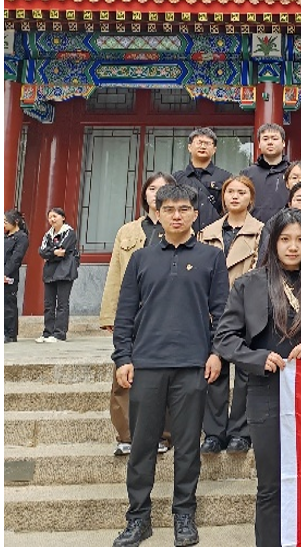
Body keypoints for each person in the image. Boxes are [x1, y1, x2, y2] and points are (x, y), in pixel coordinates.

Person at [214, 208, 301, 547]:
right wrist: (258, 358)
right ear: (273, 242)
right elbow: (225, 338)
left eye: (300, 240)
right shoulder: (248, 284)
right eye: (285, 239)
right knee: (271, 483)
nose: (292, 247)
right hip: (266, 392)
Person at [111, 184, 229, 547]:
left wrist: (217, 352)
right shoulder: (141, 259)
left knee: (188, 446)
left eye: (183, 209)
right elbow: (125, 313)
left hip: (193, 364)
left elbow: (223, 313)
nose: (176, 216)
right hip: (147, 363)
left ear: (195, 214)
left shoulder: (212, 258)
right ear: (157, 213)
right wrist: (123, 357)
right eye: (169, 209)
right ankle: (138, 518)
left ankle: (184, 515)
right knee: (142, 445)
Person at [99, 171, 175, 456]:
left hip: (168, 312)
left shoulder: (182, 229)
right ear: (144, 194)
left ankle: (162, 435)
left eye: (164, 188)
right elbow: (115, 273)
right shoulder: (128, 231)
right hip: (132, 312)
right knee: (124, 372)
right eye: (152, 188)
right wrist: (110, 315)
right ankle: (127, 435)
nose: (157, 193)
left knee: (167, 374)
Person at [197, 175, 265, 455]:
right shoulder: (207, 232)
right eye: (230, 192)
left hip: (247, 307)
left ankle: (240, 432)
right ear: (223, 197)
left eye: (242, 192)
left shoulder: (261, 231)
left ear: (251, 198)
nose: (235, 196)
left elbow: (260, 270)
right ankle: (214, 432)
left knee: (246, 372)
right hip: (213, 308)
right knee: (214, 369)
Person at [173, 127, 232, 233]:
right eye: (199, 142)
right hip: (182, 234)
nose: (203, 146)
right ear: (189, 147)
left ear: (214, 150)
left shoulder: (225, 177)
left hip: (215, 235)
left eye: (207, 143)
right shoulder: (177, 177)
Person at [36, 207, 79, 343]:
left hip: (65, 271)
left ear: (63, 218)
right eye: (50, 217)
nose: (52, 219)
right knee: (48, 304)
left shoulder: (69, 233)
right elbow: (41, 251)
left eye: (55, 216)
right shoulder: (47, 235)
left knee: (62, 303)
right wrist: (53, 252)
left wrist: (51, 253)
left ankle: (59, 333)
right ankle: (47, 332)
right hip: (50, 271)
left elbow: (62, 250)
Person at [240, 123, 291, 223]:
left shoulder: (293, 172)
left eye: (274, 138)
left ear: (283, 143)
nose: (270, 142)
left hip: (287, 227)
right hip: (254, 228)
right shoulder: (247, 173)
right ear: (259, 144)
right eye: (265, 139)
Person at [4, 209, 29, 343]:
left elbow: (16, 258)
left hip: (9, 274)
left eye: (6, 221)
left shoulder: (21, 237)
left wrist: (5, 273)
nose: (4, 224)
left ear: (16, 222)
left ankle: (10, 334)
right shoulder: (5, 236)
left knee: (8, 303)